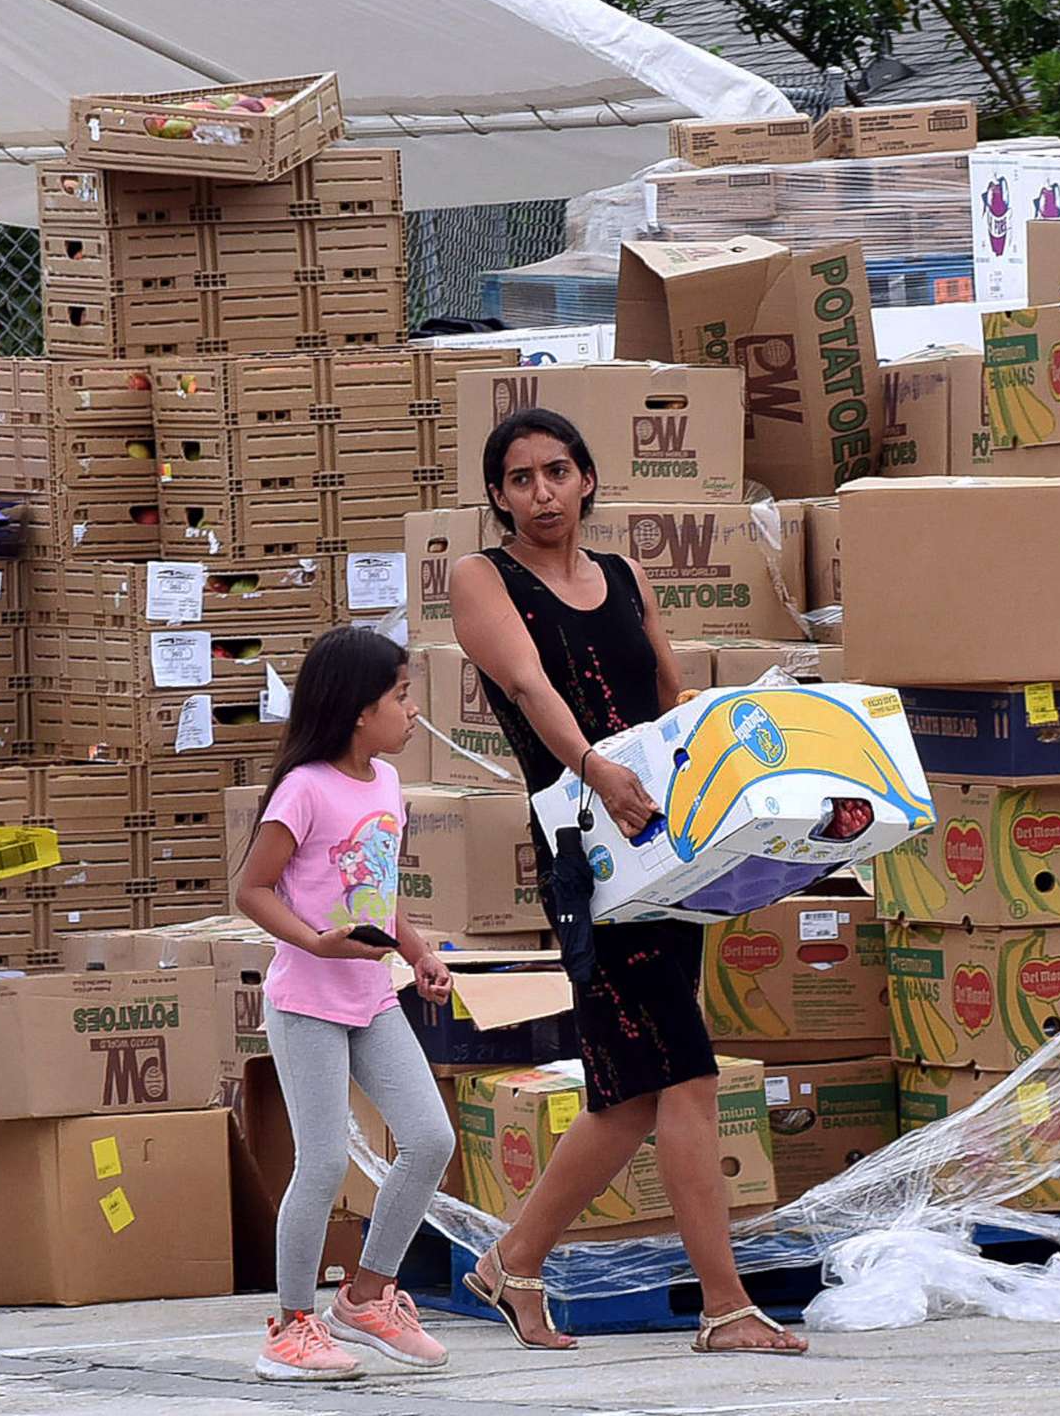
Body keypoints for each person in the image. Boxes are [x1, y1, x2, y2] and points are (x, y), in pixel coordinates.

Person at [447, 407, 809, 1357]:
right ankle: (725, 1306)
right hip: (588, 849)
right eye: (520, 478)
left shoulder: (622, 575)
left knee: (632, 1090)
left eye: (557, 472)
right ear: (497, 496)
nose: (541, 492)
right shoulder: (482, 579)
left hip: (661, 839)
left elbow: (668, 693)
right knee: (683, 1069)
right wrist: (596, 772)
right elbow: (529, 687)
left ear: (588, 478)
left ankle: (512, 1261)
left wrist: (743, 772)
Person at [233, 625, 460, 1383]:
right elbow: (252, 889)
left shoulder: (387, 784)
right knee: (325, 1160)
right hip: (307, 1001)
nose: (412, 709)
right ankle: (291, 1324)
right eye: (401, 695)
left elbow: (380, 892)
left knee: (429, 1139)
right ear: (360, 709)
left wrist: (419, 951)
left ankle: (366, 1295)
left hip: (372, 996)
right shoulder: (303, 788)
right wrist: (315, 941)